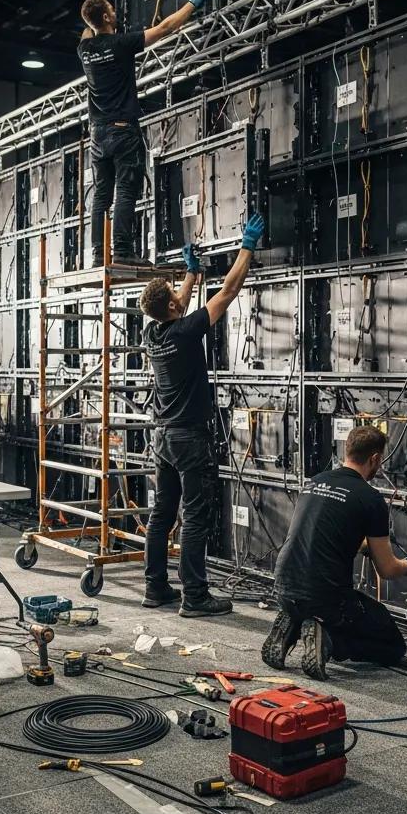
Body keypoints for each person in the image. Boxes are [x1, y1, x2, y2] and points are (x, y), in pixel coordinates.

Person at [139, 213, 266, 617]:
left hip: (163, 438)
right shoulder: (184, 330)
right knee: (195, 516)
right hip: (189, 439)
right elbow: (228, 291)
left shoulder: (155, 332)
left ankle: (156, 588)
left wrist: (191, 275)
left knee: (162, 514)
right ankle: (194, 596)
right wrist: (247, 246)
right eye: (177, 294)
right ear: (173, 304)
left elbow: (176, 305)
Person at [262, 425, 407, 680]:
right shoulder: (371, 498)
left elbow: (318, 537)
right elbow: (388, 570)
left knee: (317, 604)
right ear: (375, 458)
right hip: (326, 598)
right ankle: (328, 639)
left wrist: (365, 547)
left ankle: (295, 624)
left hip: (283, 588)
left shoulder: (315, 482)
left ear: (347, 450)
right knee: (392, 646)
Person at [78, 0, 214, 267]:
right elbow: (165, 28)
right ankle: (123, 252)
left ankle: (98, 255)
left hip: (97, 136)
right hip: (122, 131)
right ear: (105, 17)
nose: (115, 12)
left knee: (102, 195)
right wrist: (193, 2)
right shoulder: (122, 44)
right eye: (111, 9)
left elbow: (87, 28)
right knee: (126, 190)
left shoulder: (85, 50)